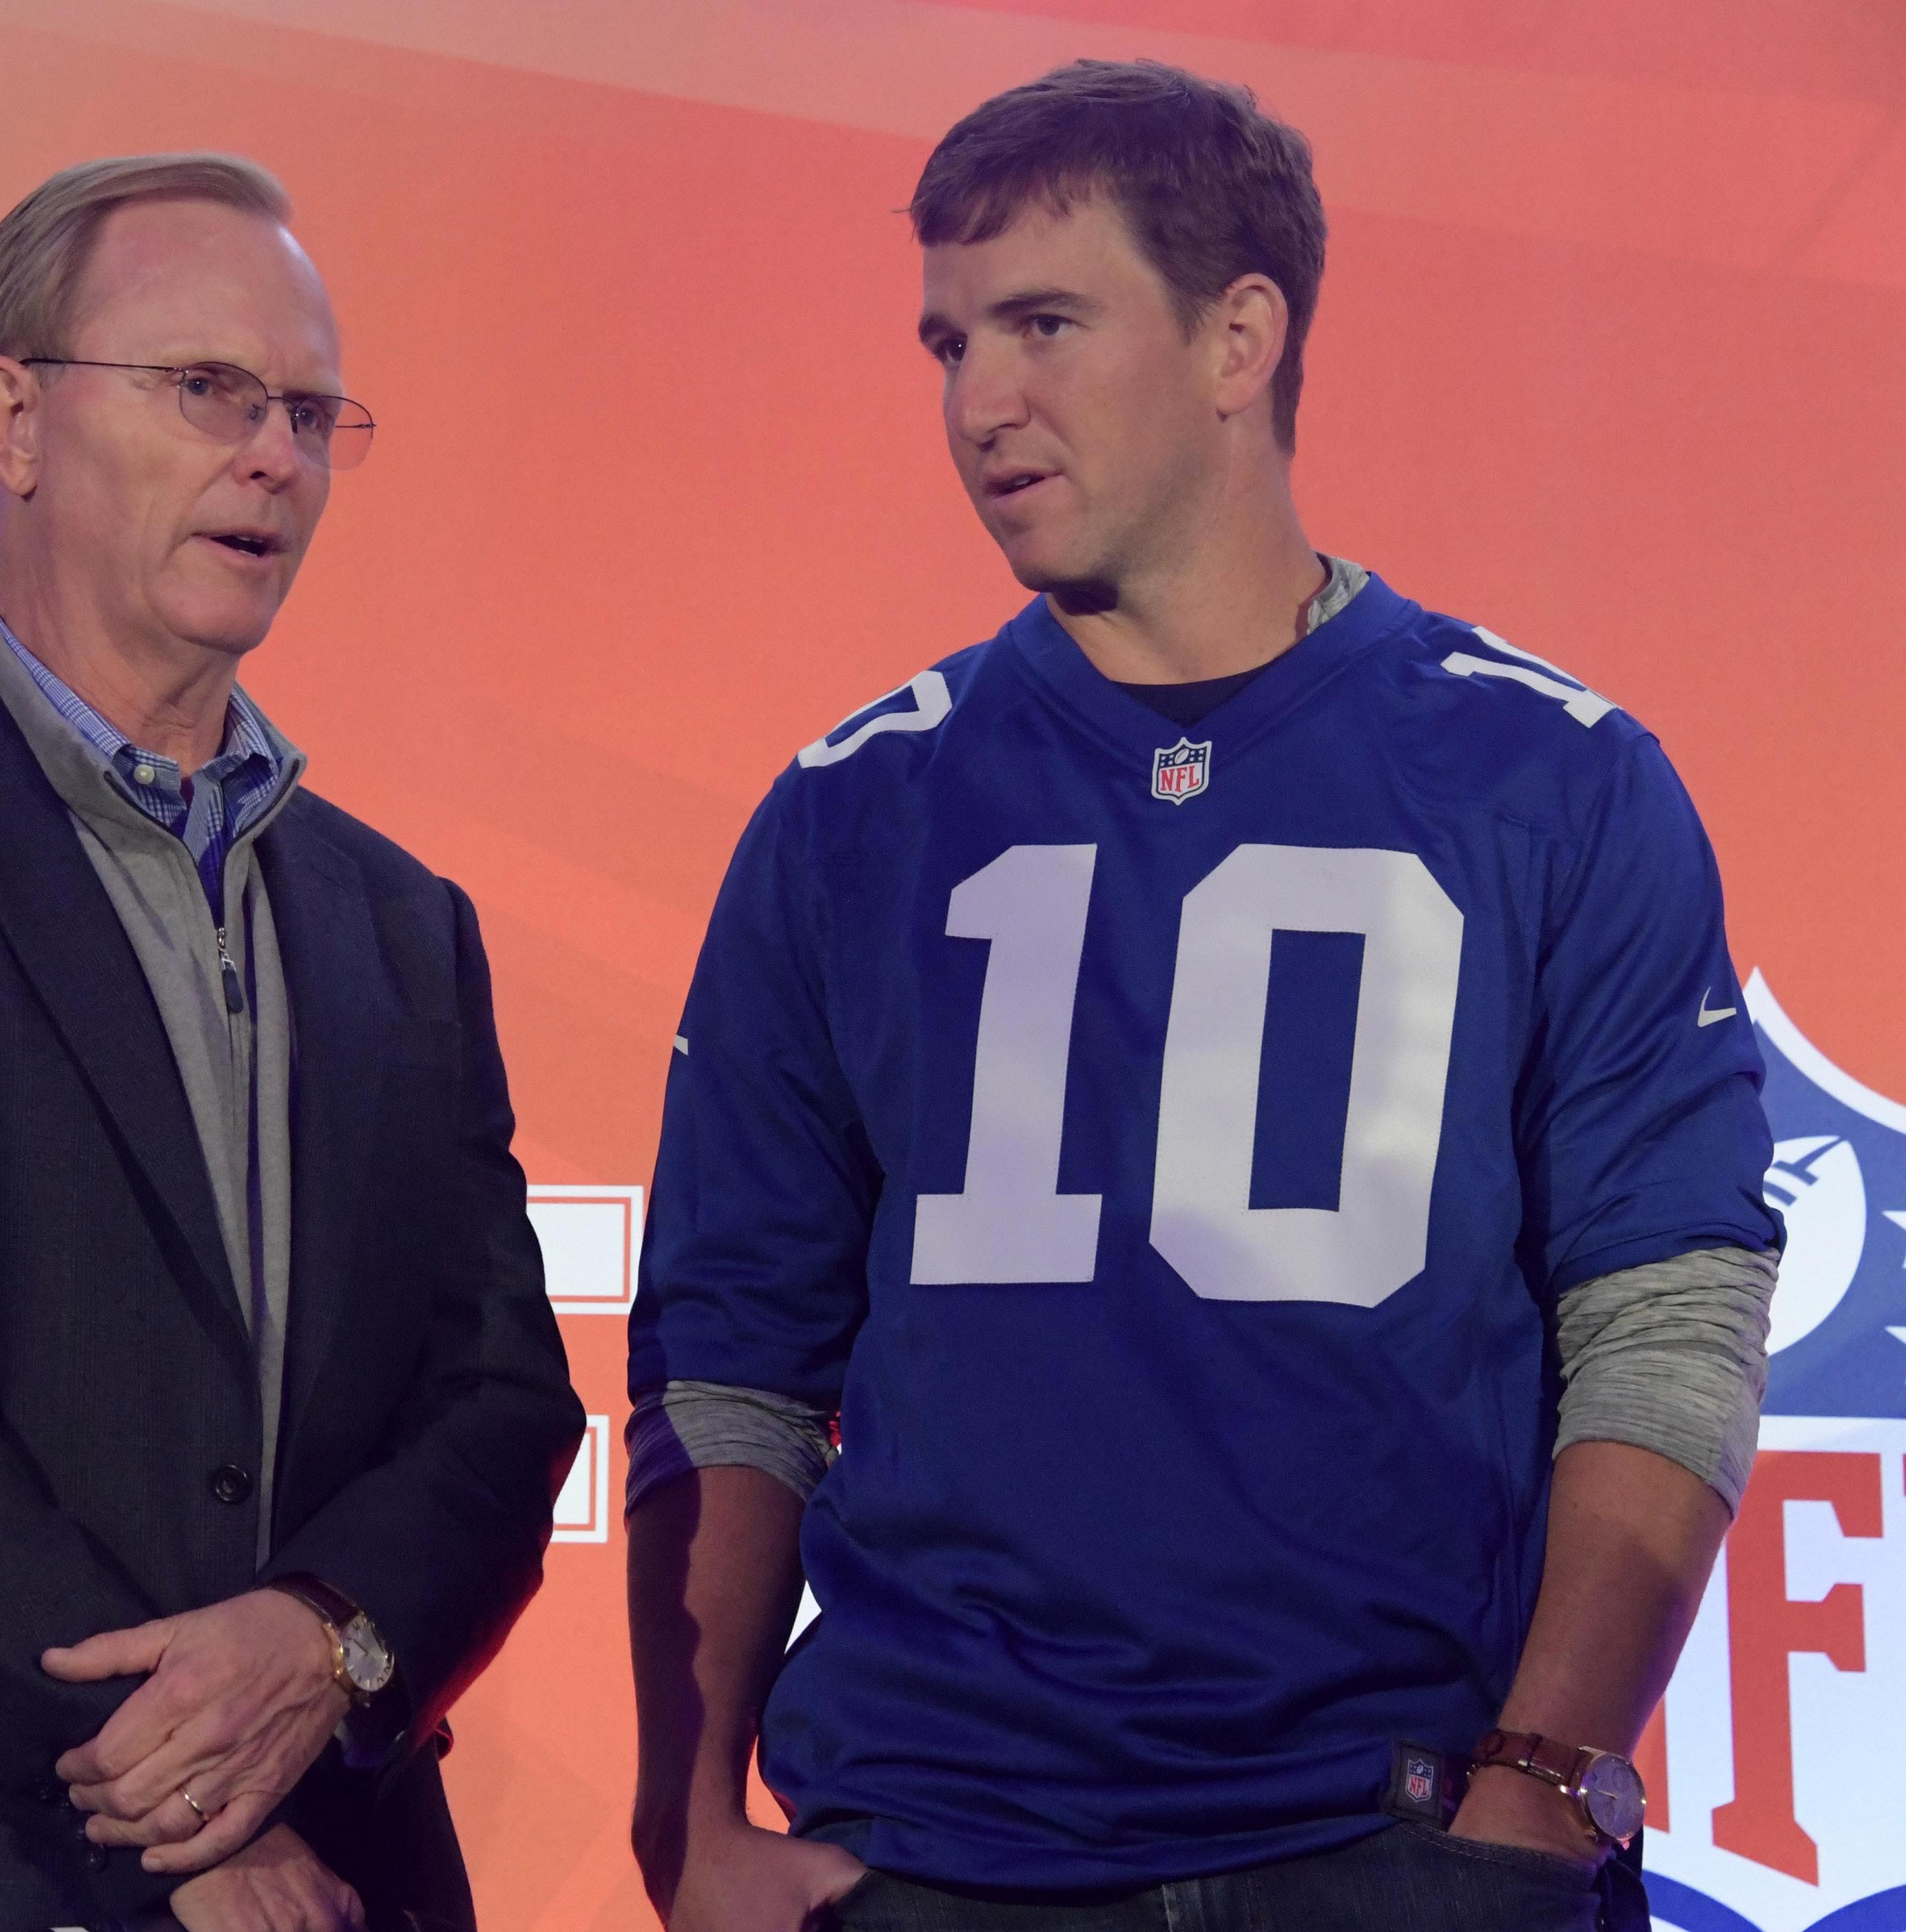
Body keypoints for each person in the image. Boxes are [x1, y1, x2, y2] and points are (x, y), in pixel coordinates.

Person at [625, 60, 1776, 1932]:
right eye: (948, 342)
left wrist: (1548, 1782)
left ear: (1242, 335)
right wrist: (687, 1816)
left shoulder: (1555, 781)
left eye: (1046, 325)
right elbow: (732, 1353)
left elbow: (1664, 1313)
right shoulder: (849, 813)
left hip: (1403, 1846)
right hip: (935, 1852)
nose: (979, 400)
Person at [0, 153, 583, 1932]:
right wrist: (180, 1808)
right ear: (14, 416)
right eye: (208, 391)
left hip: (343, 1875)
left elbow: (497, 1392)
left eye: (308, 411)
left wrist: (323, 1639)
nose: (275, 457)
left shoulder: (398, 920)